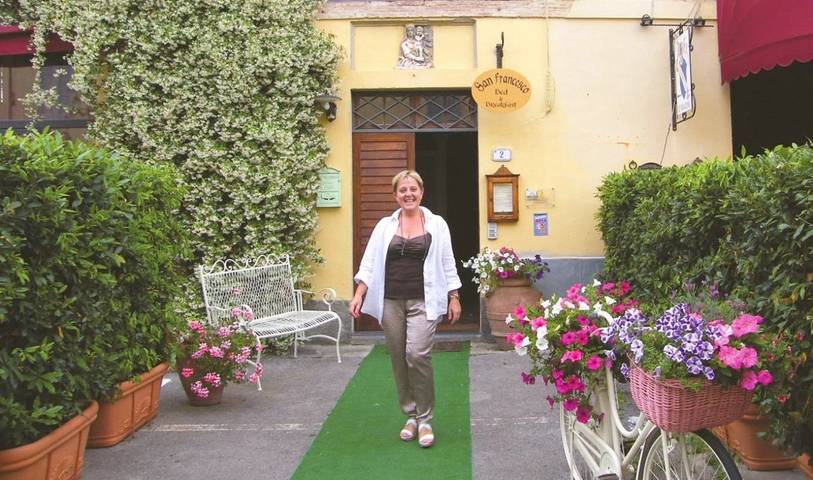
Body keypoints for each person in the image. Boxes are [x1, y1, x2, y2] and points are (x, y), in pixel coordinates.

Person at [350, 170, 462, 448]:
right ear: (395, 195)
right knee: (399, 358)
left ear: (421, 192)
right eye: (403, 190)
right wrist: (359, 294)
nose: (408, 194)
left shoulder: (437, 224)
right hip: (391, 301)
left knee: (417, 354)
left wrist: (454, 296)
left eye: (413, 189)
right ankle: (410, 415)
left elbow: (447, 261)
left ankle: (425, 419)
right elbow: (369, 262)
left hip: (424, 300)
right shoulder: (384, 226)